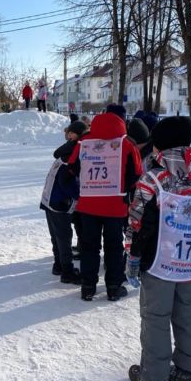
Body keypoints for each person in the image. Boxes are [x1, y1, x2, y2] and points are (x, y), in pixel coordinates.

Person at [125, 116, 191, 381]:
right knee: (189, 312)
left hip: (158, 260)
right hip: (189, 259)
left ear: (159, 146)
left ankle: (153, 376)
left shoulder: (152, 178)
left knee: (156, 314)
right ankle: (190, 372)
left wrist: (132, 255)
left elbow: (137, 220)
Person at [66, 112, 143, 301]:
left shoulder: (83, 142)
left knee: (89, 246)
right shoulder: (127, 144)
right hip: (115, 206)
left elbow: (72, 166)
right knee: (114, 247)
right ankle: (113, 287)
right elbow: (137, 173)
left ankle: (88, 286)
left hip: (88, 205)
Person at [42, 120, 87, 284]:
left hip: (49, 199)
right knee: (64, 236)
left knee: (56, 235)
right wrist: (80, 194)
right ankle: (67, 270)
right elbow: (66, 182)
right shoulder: (73, 153)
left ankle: (58, 265)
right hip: (59, 202)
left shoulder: (65, 149)